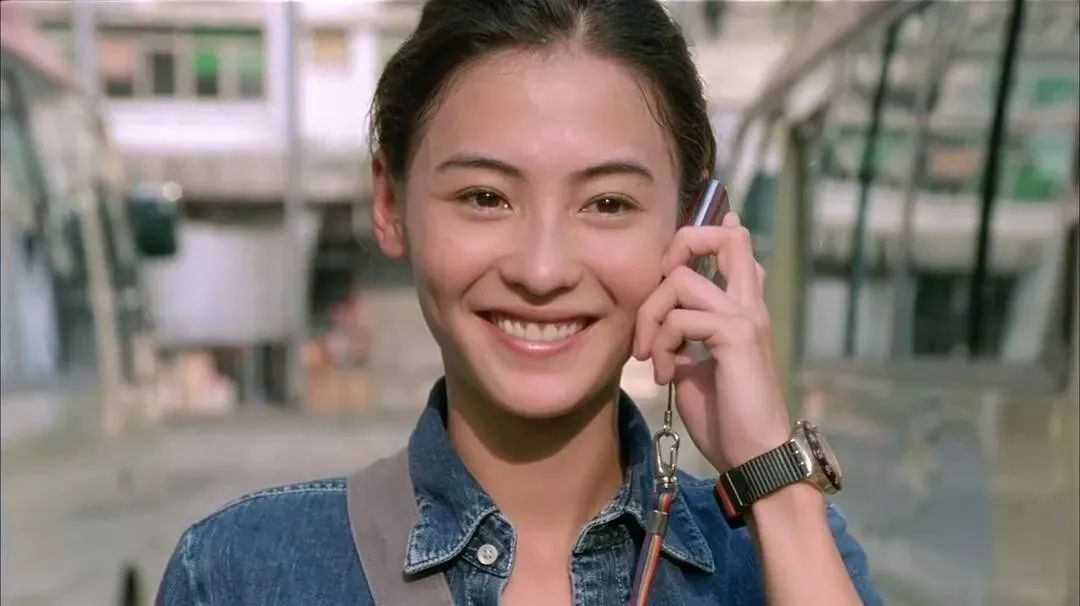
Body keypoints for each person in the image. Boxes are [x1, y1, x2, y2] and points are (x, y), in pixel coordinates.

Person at [156, 1, 881, 604]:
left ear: (692, 227)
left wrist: (771, 474)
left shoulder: (786, 556)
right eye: (485, 197)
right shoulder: (240, 574)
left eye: (607, 203)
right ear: (390, 203)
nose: (541, 270)